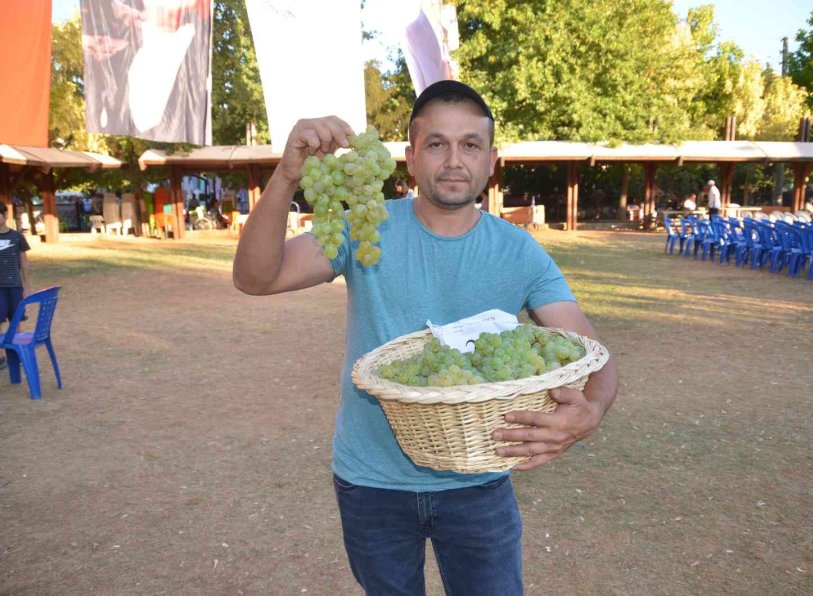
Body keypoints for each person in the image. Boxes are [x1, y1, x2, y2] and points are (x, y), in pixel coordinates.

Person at [233, 80, 619, 595]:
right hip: (371, 483)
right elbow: (256, 277)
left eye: (470, 145)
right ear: (411, 159)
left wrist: (590, 415)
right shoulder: (363, 228)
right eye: (436, 144)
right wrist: (285, 176)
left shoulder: (519, 253)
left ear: (491, 160)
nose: (454, 160)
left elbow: (594, 356)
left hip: (479, 483)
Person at [0, 207, 31, 370]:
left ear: (5, 215)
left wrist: (26, 286)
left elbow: (24, 263)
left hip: (14, 286)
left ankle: (18, 354)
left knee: (16, 321)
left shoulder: (17, 237)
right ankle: (0, 358)